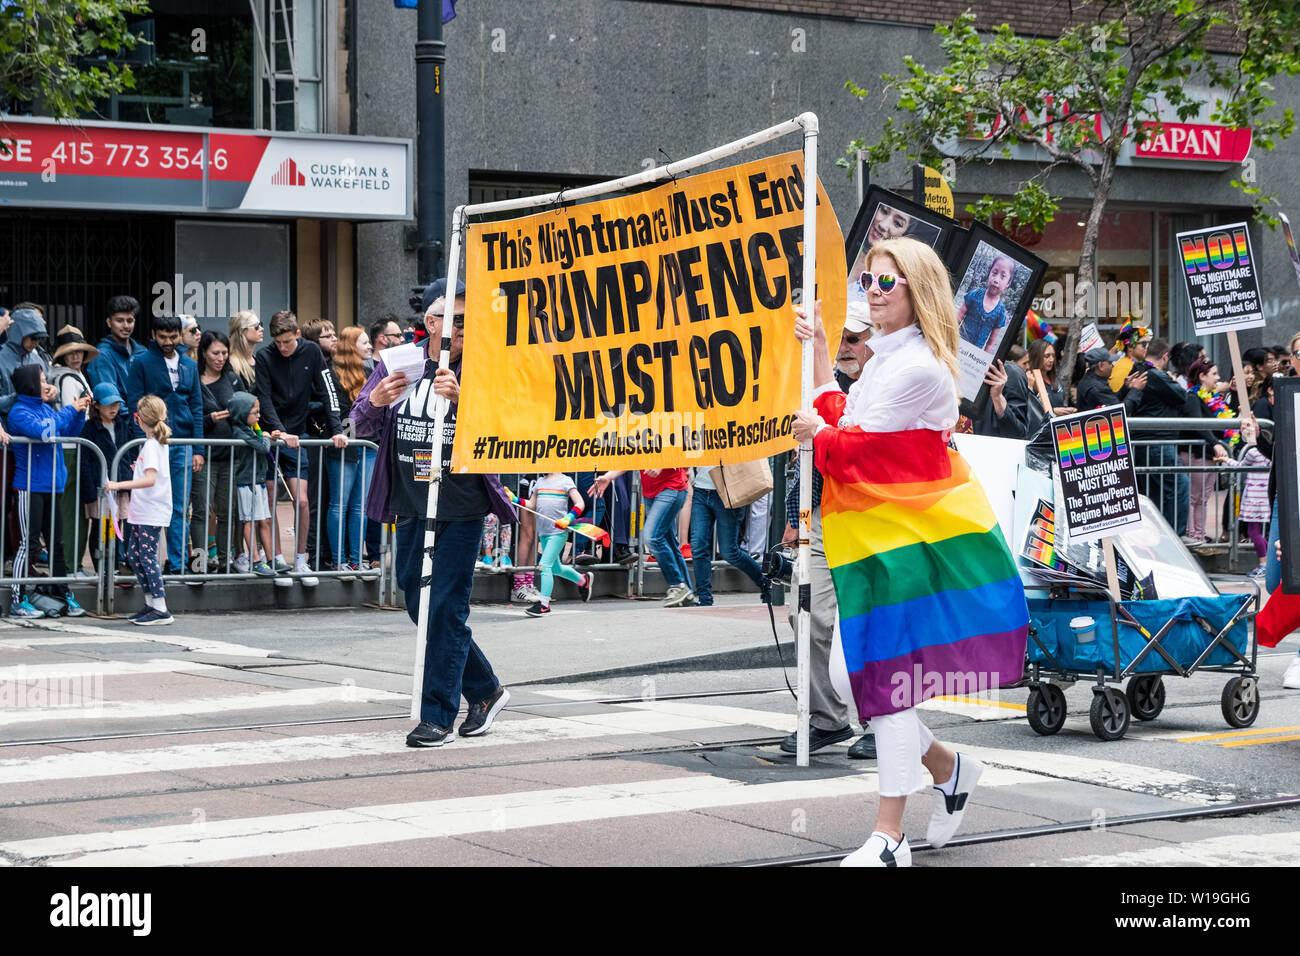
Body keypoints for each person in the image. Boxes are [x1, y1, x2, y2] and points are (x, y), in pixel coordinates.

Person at [792, 236, 1028, 867]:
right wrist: (819, 351)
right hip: (876, 539)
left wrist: (821, 432)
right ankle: (950, 770)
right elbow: (842, 414)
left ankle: (889, 834)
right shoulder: (885, 360)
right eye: (868, 280)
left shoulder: (919, 366)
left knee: (886, 680)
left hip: (910, 543)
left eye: (885, 282)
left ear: (917, 291)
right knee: (852, 676)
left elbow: (852, 446)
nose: (871, 290)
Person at [351, 278, 516, 747]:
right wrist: (375, 401)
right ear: (431, 322)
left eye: (470, 319)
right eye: (455, 319)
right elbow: (361, 418)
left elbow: (507, 423)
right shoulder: (397, 361)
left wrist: (467, 399)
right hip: (410, 500)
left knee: (446, 604)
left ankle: (437, 716)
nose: (464, 328)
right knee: (416, 601)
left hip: (462, 503)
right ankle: (484, 690)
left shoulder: (484, 365)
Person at [782, 306, 876, 760]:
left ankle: (885, 719)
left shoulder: (896, 379)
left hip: (876, 518)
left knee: (872, 620)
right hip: (823, 515)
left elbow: (857, 441)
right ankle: (827, 718)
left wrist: (821, 428)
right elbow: (823, 406)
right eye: (841, 337)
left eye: (855, 338)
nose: (846, 347)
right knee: (805, 612)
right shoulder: (826, 378)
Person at [254, 310, 348, 587]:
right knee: (270, 499)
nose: (282, 347)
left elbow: (329, 391)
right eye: (277, 342)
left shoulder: (312, 352)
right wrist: (278, 430)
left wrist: (338, 430)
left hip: (299, 433)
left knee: (303, 501)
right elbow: (264, 396)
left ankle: (301, 559)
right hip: (272, 435)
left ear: (297, 334)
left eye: (287, 341)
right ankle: (276, 559)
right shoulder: (264, 356)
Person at [7, 366, 92, 619]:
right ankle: (18, 599)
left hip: (53, 485)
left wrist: (79, 412)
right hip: (30, 487)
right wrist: (68, 410)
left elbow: (68, 432)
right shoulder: (19, 412)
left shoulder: (46, 409)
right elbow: (45, 433)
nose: (47, 385)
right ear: (30, 385)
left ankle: (62, 594)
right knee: (28, 544)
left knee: (57, 544)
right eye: (42, 380)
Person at [124, 314, 205, 575]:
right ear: (154, 335)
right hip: (154, 442)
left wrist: (199, 448)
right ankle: (147, 562)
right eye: (162, 337)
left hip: (182, 441)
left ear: (179, 335)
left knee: (180, 505)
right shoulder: (142, 362)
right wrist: (143, 439)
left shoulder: (190, 364)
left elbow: (197, 406)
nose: (168, 342)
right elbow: (134, 403)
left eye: (173, 336)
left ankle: (178, 564)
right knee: (149, 503)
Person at [106, 395, 174, 625]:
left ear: (140, 419)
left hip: (151, 510)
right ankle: (151, 603)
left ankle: (160, 606)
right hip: (143, 509)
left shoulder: (153, 445)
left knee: (145, 557)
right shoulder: (153, 444)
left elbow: (150, 479)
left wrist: (119, 484)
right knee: (135, 556)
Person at [591, 467, 694, 606]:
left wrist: (660, 465)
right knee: (669, 542)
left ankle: (677, 585)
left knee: (652, 537)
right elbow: (629, 457)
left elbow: (678, 450)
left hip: (672, 487)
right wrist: (609, 476)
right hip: (651, 492)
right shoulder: (637, 443)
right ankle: (686, 590)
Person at [1123, 338, 1190, 536]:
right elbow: (1182, 396)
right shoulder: (1155, 375)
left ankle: (1159, 535)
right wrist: (1171, 378)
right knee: (1179, 486)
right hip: (1157, 441)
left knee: (1155, 493)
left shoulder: (1137, 371)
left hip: (1147, 441)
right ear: (1165, 356)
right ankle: (1174, 535)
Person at [329, 326, 378, 575]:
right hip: (346, 446)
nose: (370, 347)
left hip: (369, 447)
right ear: (351, 346)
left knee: (360, 507)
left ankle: (356, 560)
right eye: (365, 343)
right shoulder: (334, 375)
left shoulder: (371, 372)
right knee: (340, 504)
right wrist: (350, 440)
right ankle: (339, 561)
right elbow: (341, 412)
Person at [194, 331, 245, 571]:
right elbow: (189, 416)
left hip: (232, 456)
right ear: (204, 352)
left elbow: (249, 408)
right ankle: (200, 561)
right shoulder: (193, 380)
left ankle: (226, 560)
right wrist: (209, 419)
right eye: (215, 353)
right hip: (205, 457)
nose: (221, 358)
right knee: (202, 511)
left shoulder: (233, 379)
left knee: (228, 512)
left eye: (225, 353)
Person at [50, 326, 98, 577]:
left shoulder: (70, 375)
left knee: (76, 509)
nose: (76, 356)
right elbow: (73, 413)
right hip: (71, 447)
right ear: (62, 355)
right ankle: (70, 565)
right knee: (71, 509)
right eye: (70, 352)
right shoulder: (67, 378)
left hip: (74, 447)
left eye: (79, 351)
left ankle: (74, 564)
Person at [688, 464, 767, 607]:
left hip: (728, 488)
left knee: (729, 552)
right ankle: (704, 598)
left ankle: (765, 582)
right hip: (701, 488)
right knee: (699, 546)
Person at [79, 382, 134, 574]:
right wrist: (89, 492)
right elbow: (84, 461)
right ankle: (100, 566)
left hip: (119, 485)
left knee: (117, 523)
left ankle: (114, 565)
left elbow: (129, 452)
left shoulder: (122, 425)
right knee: (99, 526)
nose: (113, 408)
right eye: (109, 404)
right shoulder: (89, 428)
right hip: (100, 488)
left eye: (116, 404)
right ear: (96, 405)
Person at [524, 472, 595, 617]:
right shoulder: (540, 482)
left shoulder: (565, 481)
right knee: (555, 568)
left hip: (558, 533)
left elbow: (580, 503)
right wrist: (514, 499)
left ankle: (544, 604)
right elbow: (531, 504)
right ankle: (583, 580)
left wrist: (569, 517)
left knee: (545, 565)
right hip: (544, 533)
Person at [1182, 358, 1234, 546]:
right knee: (1193, 497)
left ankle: (1200, 535)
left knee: (1203, 498)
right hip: (1196, 453)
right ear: (1202, 377)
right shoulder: (1192, 397)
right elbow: (1198, 424)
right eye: (1214, 374)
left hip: (1209, 455)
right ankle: (1192, 535)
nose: (1218, 378)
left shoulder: (1214, 398)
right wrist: (1214, 443)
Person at [227, 392, 279, 577]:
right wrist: (265, 436)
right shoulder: (240, 431)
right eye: (255, 412)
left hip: (258, 480)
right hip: (247, 482)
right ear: (243, 413)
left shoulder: (251, 429)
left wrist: (266, 435)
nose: (258, 416)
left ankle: (272, 559)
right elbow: (263, 447)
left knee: (264, 519)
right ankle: (255, 560)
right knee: (250, 521)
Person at [85, 296, 141, 403]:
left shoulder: (141, 351)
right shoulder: (102, 355)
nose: (126, 326)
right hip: (119, 417)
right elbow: (108, 399)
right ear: (109, 322)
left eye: (130, 321)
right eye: (119, 321)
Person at [957, 254, 1014, 353]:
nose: (996, 280)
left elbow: (990, 344)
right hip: (958, 345)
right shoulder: (974, 295)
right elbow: (957, 318)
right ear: (989, 273)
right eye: (994, 273)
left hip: (973, 357)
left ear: (1008, 283)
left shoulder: (1000, 313)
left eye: (1003, 276)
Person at [0, 308, 52, 404]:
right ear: (18, 333)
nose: (36, 343)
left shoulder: (37, 359)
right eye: (34, 338)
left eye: (40, 338)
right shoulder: (1, 358)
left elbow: (46, 390)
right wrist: (20, 398)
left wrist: (53, 392)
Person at [1076, 346, 1145, 410]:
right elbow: (1119, 412)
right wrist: (1136, 389)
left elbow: (1111, 399)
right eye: (1110, 363)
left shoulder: (1090, 379)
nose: (1112, 366)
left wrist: (1125, 387)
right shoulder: (1097, 388)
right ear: (1101, 365)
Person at [1026, 339, 1074, 415]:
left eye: (1053, 356)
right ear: (1036, 357)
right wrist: (1053, 411)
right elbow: (1030, 411)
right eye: (1047, 356)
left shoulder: (1057, 378)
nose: (1051, 360)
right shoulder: (1030, 380)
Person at [1108, 325, 1151, 393]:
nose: (1147, 346)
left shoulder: (1140, 364)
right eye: (1144, 344)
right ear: (1130, 347)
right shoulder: (1123, 368)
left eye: (1149, 343)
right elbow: (1116, 400)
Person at [227, 310, 263, 390]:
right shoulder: (231, 364)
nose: (261, 328)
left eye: (261, 324)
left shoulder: (259, 361)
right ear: (242, 331)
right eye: (256, 326)